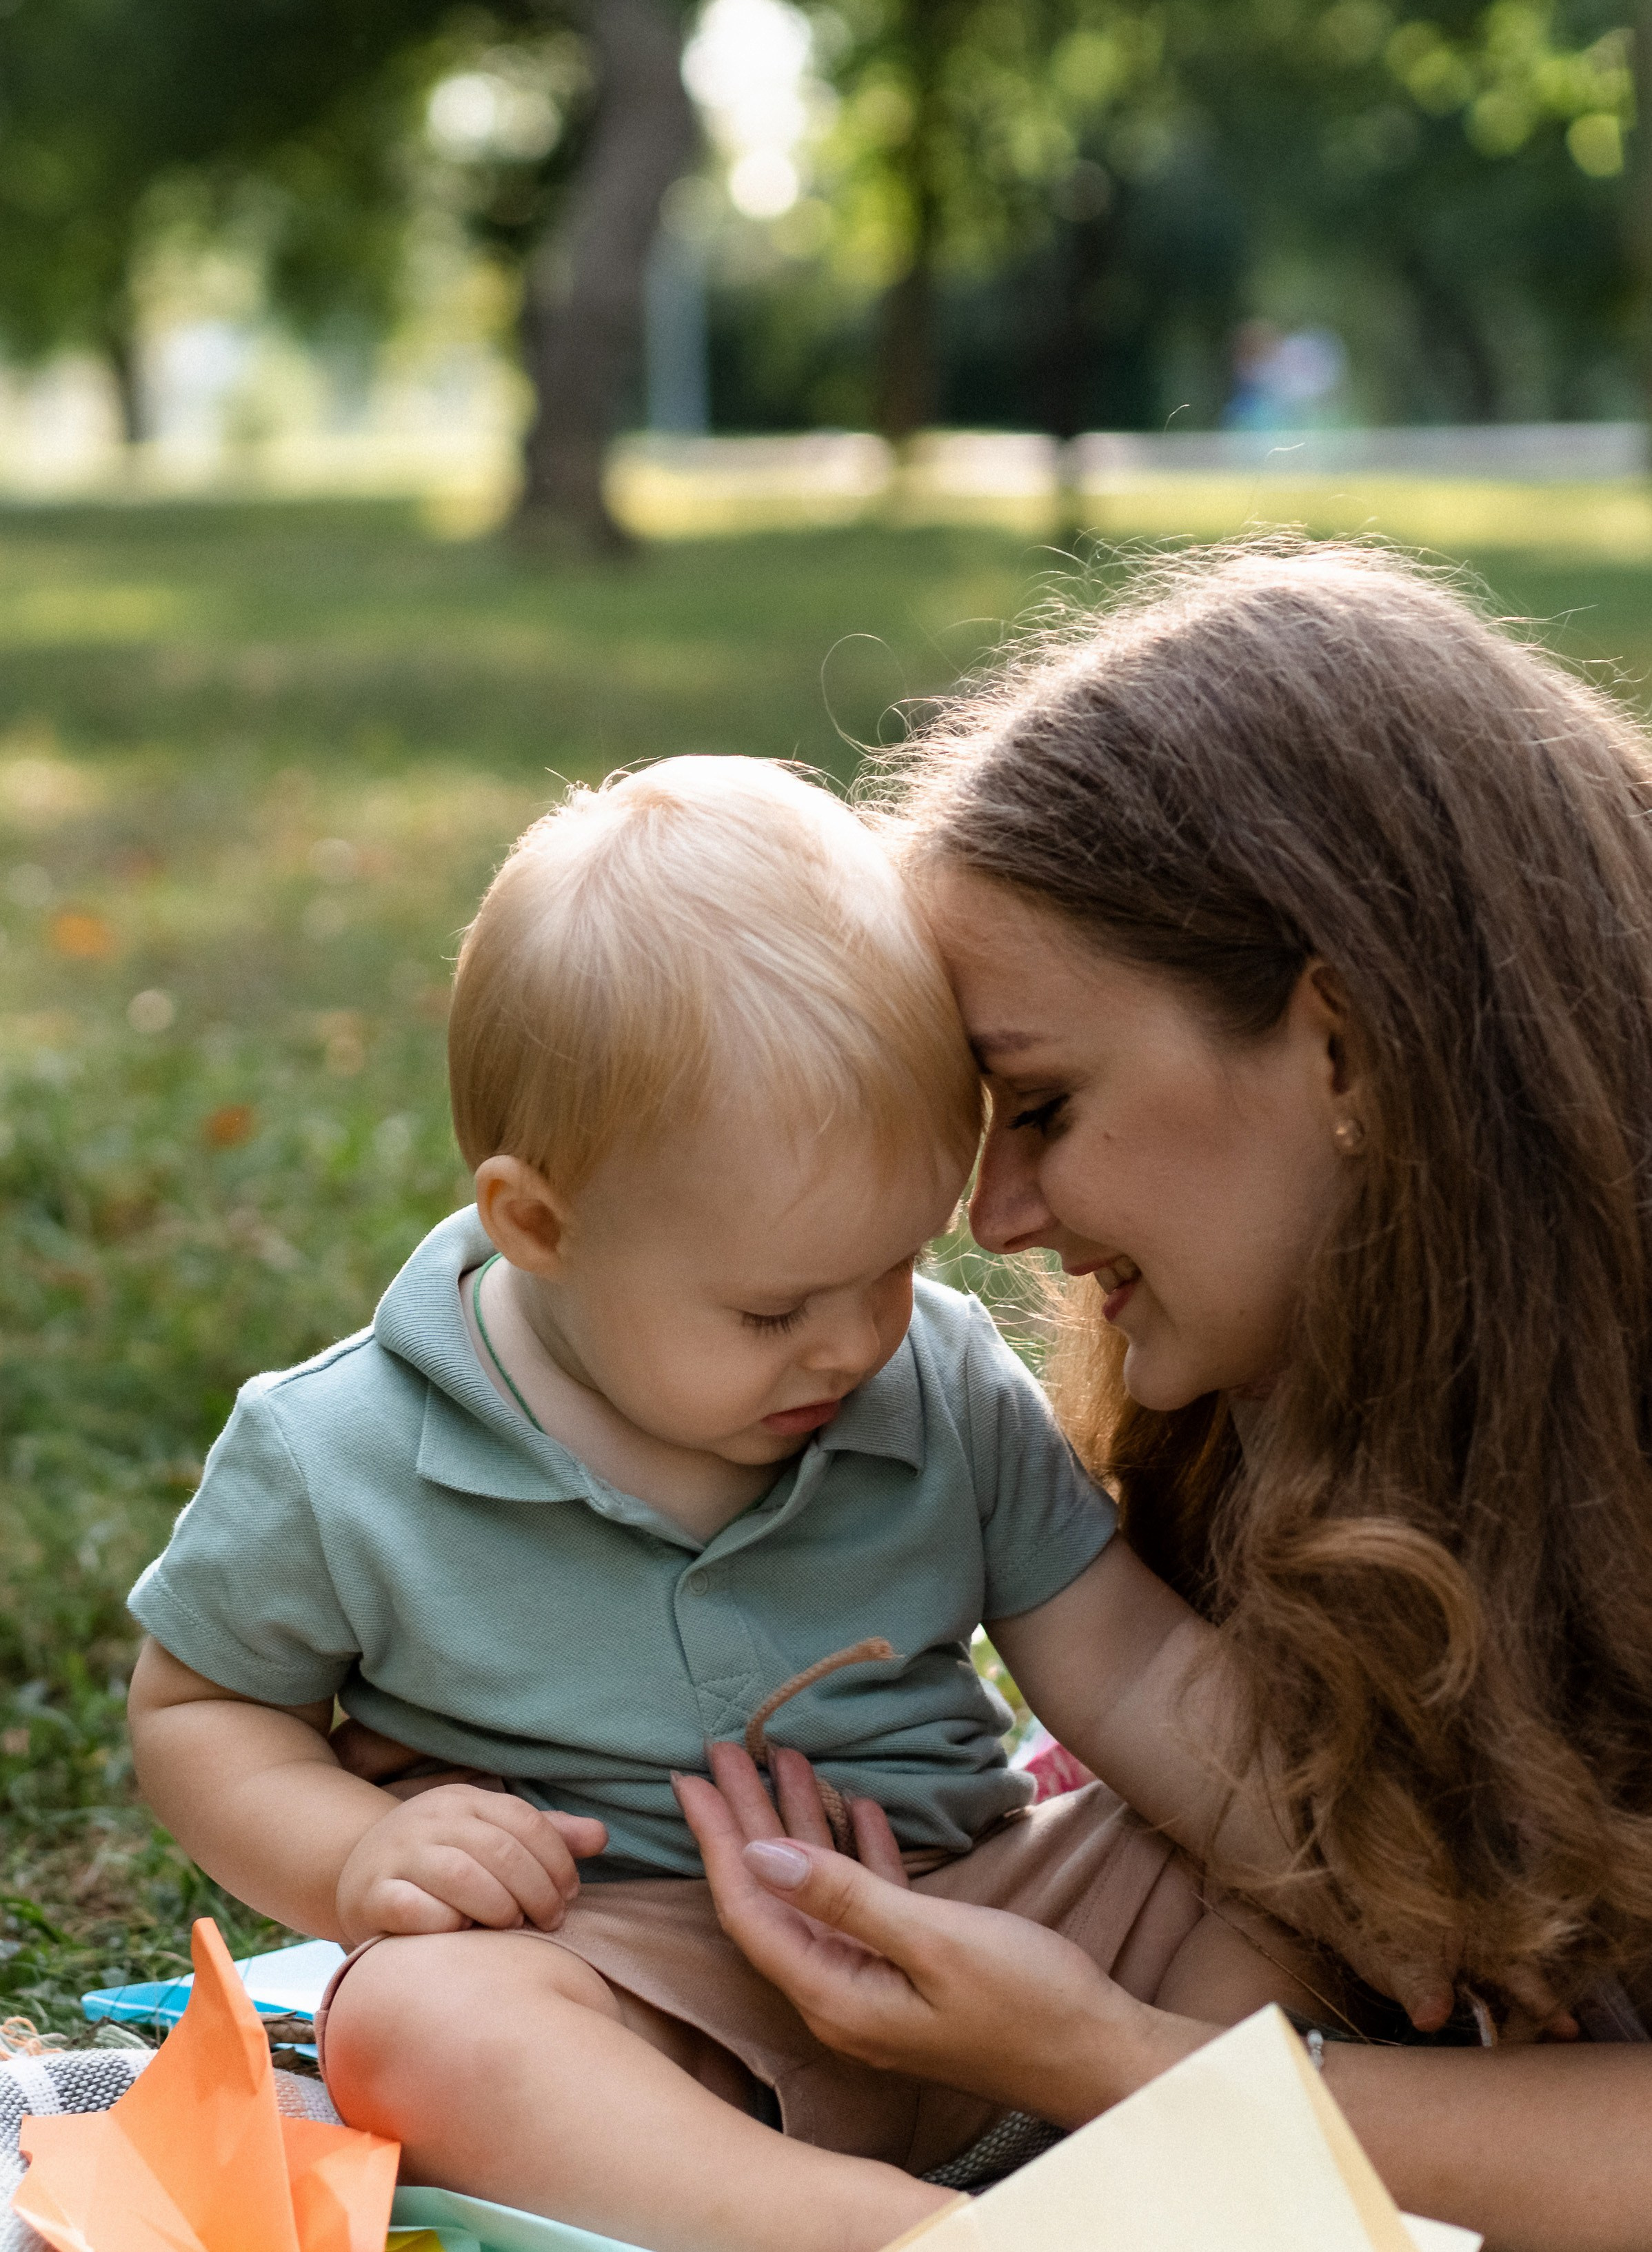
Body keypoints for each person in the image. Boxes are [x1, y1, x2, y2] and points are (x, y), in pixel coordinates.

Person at [124, 755, 1329, 2252]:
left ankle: (1152, 2176)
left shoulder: (934, 1381)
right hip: (635, 1968)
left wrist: (1337, 1851)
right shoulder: (342, 1452)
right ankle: (843, 2224)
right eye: (773, 1311)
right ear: (539, 1223)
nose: (852, 1340)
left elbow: (1130, 1663)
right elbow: (198, 1712)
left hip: (985, 1914)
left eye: (894, 1266)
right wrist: (349, 1855)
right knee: (416, 2021)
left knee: (1260, 1866)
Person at [679, 539, 1652, 2252]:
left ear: (1339, 1047)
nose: (998, 1221)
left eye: (1039, 1106)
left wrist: (1108, 2057)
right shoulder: (1296, 1421)